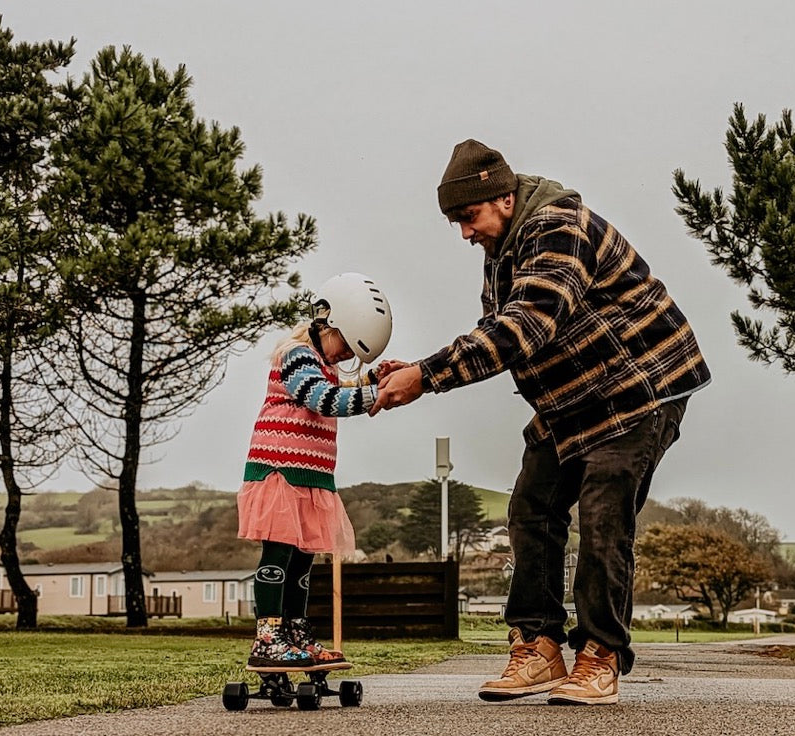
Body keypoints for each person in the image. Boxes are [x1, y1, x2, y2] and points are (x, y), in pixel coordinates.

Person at [372, 140, 710, 705]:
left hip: (641, 390)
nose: (464, 233)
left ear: (503, 198)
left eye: (468, 217)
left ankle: (600, 656)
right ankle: (539, 645)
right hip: (573, 400)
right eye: (455, 221)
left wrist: (428, 377)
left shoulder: (557, 228)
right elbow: (505, 330)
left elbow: (528, 325)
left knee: (603, 515)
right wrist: (418, 369)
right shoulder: (505, 245)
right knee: (532, 507)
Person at [238, 272, 392, 669]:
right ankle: (268, 638)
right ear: (328, 323)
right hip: (281, 472)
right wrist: (376, 394)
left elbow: (338, 390)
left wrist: (374, 378)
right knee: (280, 553)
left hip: (312, 477)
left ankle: (295, 632)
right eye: (346, 346)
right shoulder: (296, 355)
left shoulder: (323, 361)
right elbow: (321, 399)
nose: (345, 358)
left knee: (304, 561)